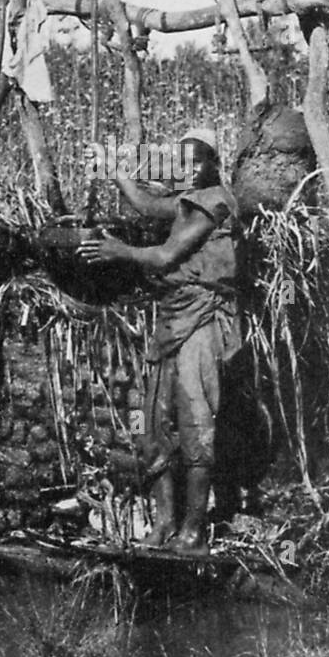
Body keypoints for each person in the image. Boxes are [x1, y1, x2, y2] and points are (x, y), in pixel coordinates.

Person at [77, 127, 240, 555]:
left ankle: (194, 531)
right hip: (172, 318)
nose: (188, 171)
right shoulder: (189, 201)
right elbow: (146, 205)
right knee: (154, 424)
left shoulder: (217, 201)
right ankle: (165, 524)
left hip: (202, 321)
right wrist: (112, 168)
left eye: (197, 162)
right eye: (180, 164)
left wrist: (122, 252)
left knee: (196, 422)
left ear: (213, 166)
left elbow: (167, 256)